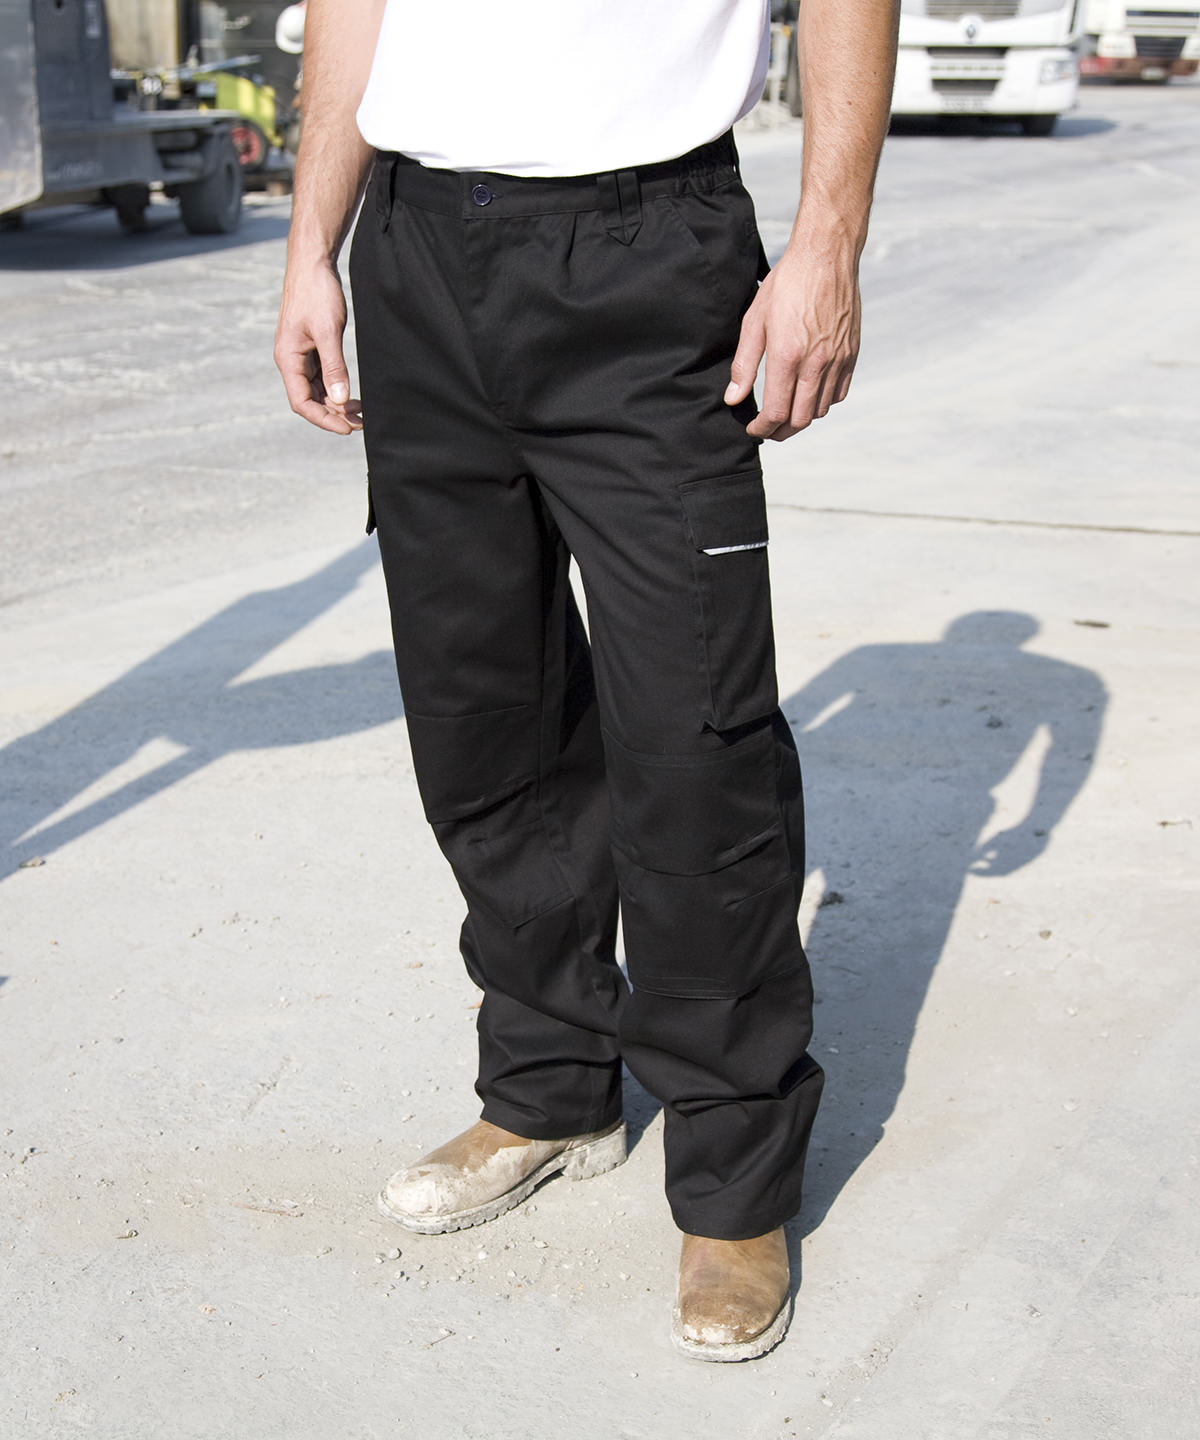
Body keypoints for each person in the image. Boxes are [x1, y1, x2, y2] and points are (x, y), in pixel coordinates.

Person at [275, 0, 898, 1363]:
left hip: (646, 252)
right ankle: (551, 1087)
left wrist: (827, 244)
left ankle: (733, 1176)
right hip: (416, 250)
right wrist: (311, 244)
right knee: (482, 713)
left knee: (694, 736)